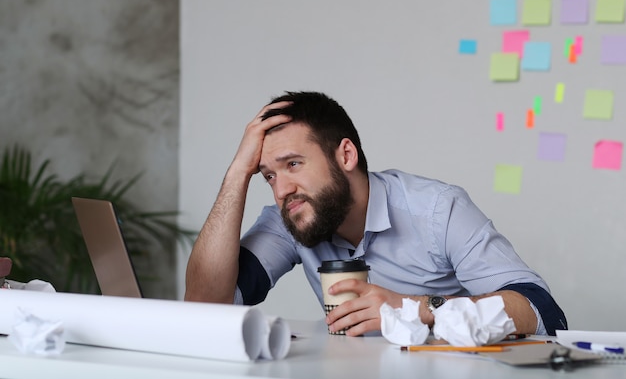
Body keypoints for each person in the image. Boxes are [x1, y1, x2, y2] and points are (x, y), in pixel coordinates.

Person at [185, 91, 567, 336]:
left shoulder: (436, 209)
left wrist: (414, 308)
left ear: (345, 155)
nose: (282, 189)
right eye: (268, 175)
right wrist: (237, 173)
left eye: (294, 164)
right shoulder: (292, 217)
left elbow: (541, 310)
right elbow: (206, 305)